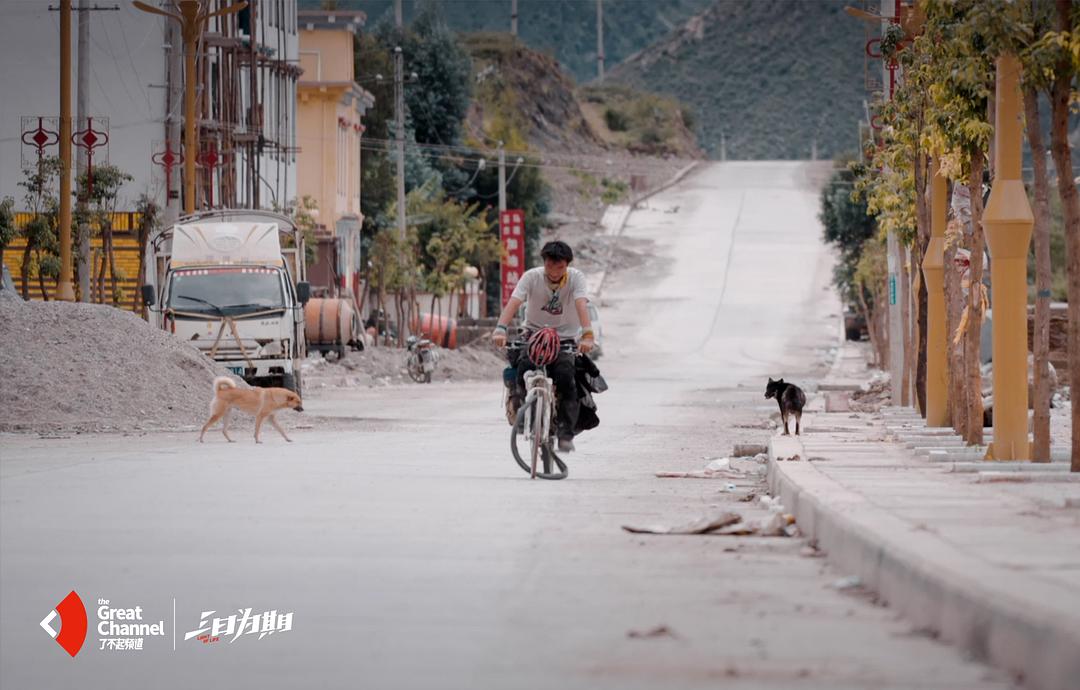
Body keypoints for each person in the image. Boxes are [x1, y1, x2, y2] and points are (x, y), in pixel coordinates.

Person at [492, 240, 595, 452]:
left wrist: (587, 334)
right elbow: (514, 302)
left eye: (559, 267)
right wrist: (500, 328)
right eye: (550, 266)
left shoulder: (576, 278)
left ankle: (566, 434)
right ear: (544, 263)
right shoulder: (531, 276)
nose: (554, 272)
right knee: (523, 368)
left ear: (567, 265)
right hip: (533, 335)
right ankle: (522, 413)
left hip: (564, 339)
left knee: (567, 376)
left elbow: (581, 304)